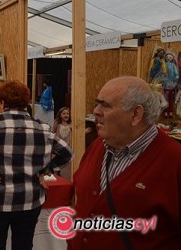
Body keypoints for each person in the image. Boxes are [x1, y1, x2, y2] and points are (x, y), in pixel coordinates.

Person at [0, 80, 73, 250]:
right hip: (30, 199)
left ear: (2, 103)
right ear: (26, 103)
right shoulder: (43, 129)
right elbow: (67, 153)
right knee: (23, 246)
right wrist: (45, 171)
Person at [70, 76, 181, 249]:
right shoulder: (97, 147)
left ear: (136, 114)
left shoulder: (174, 161)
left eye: (105, 105)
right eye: (97, 103)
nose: (96, 112)